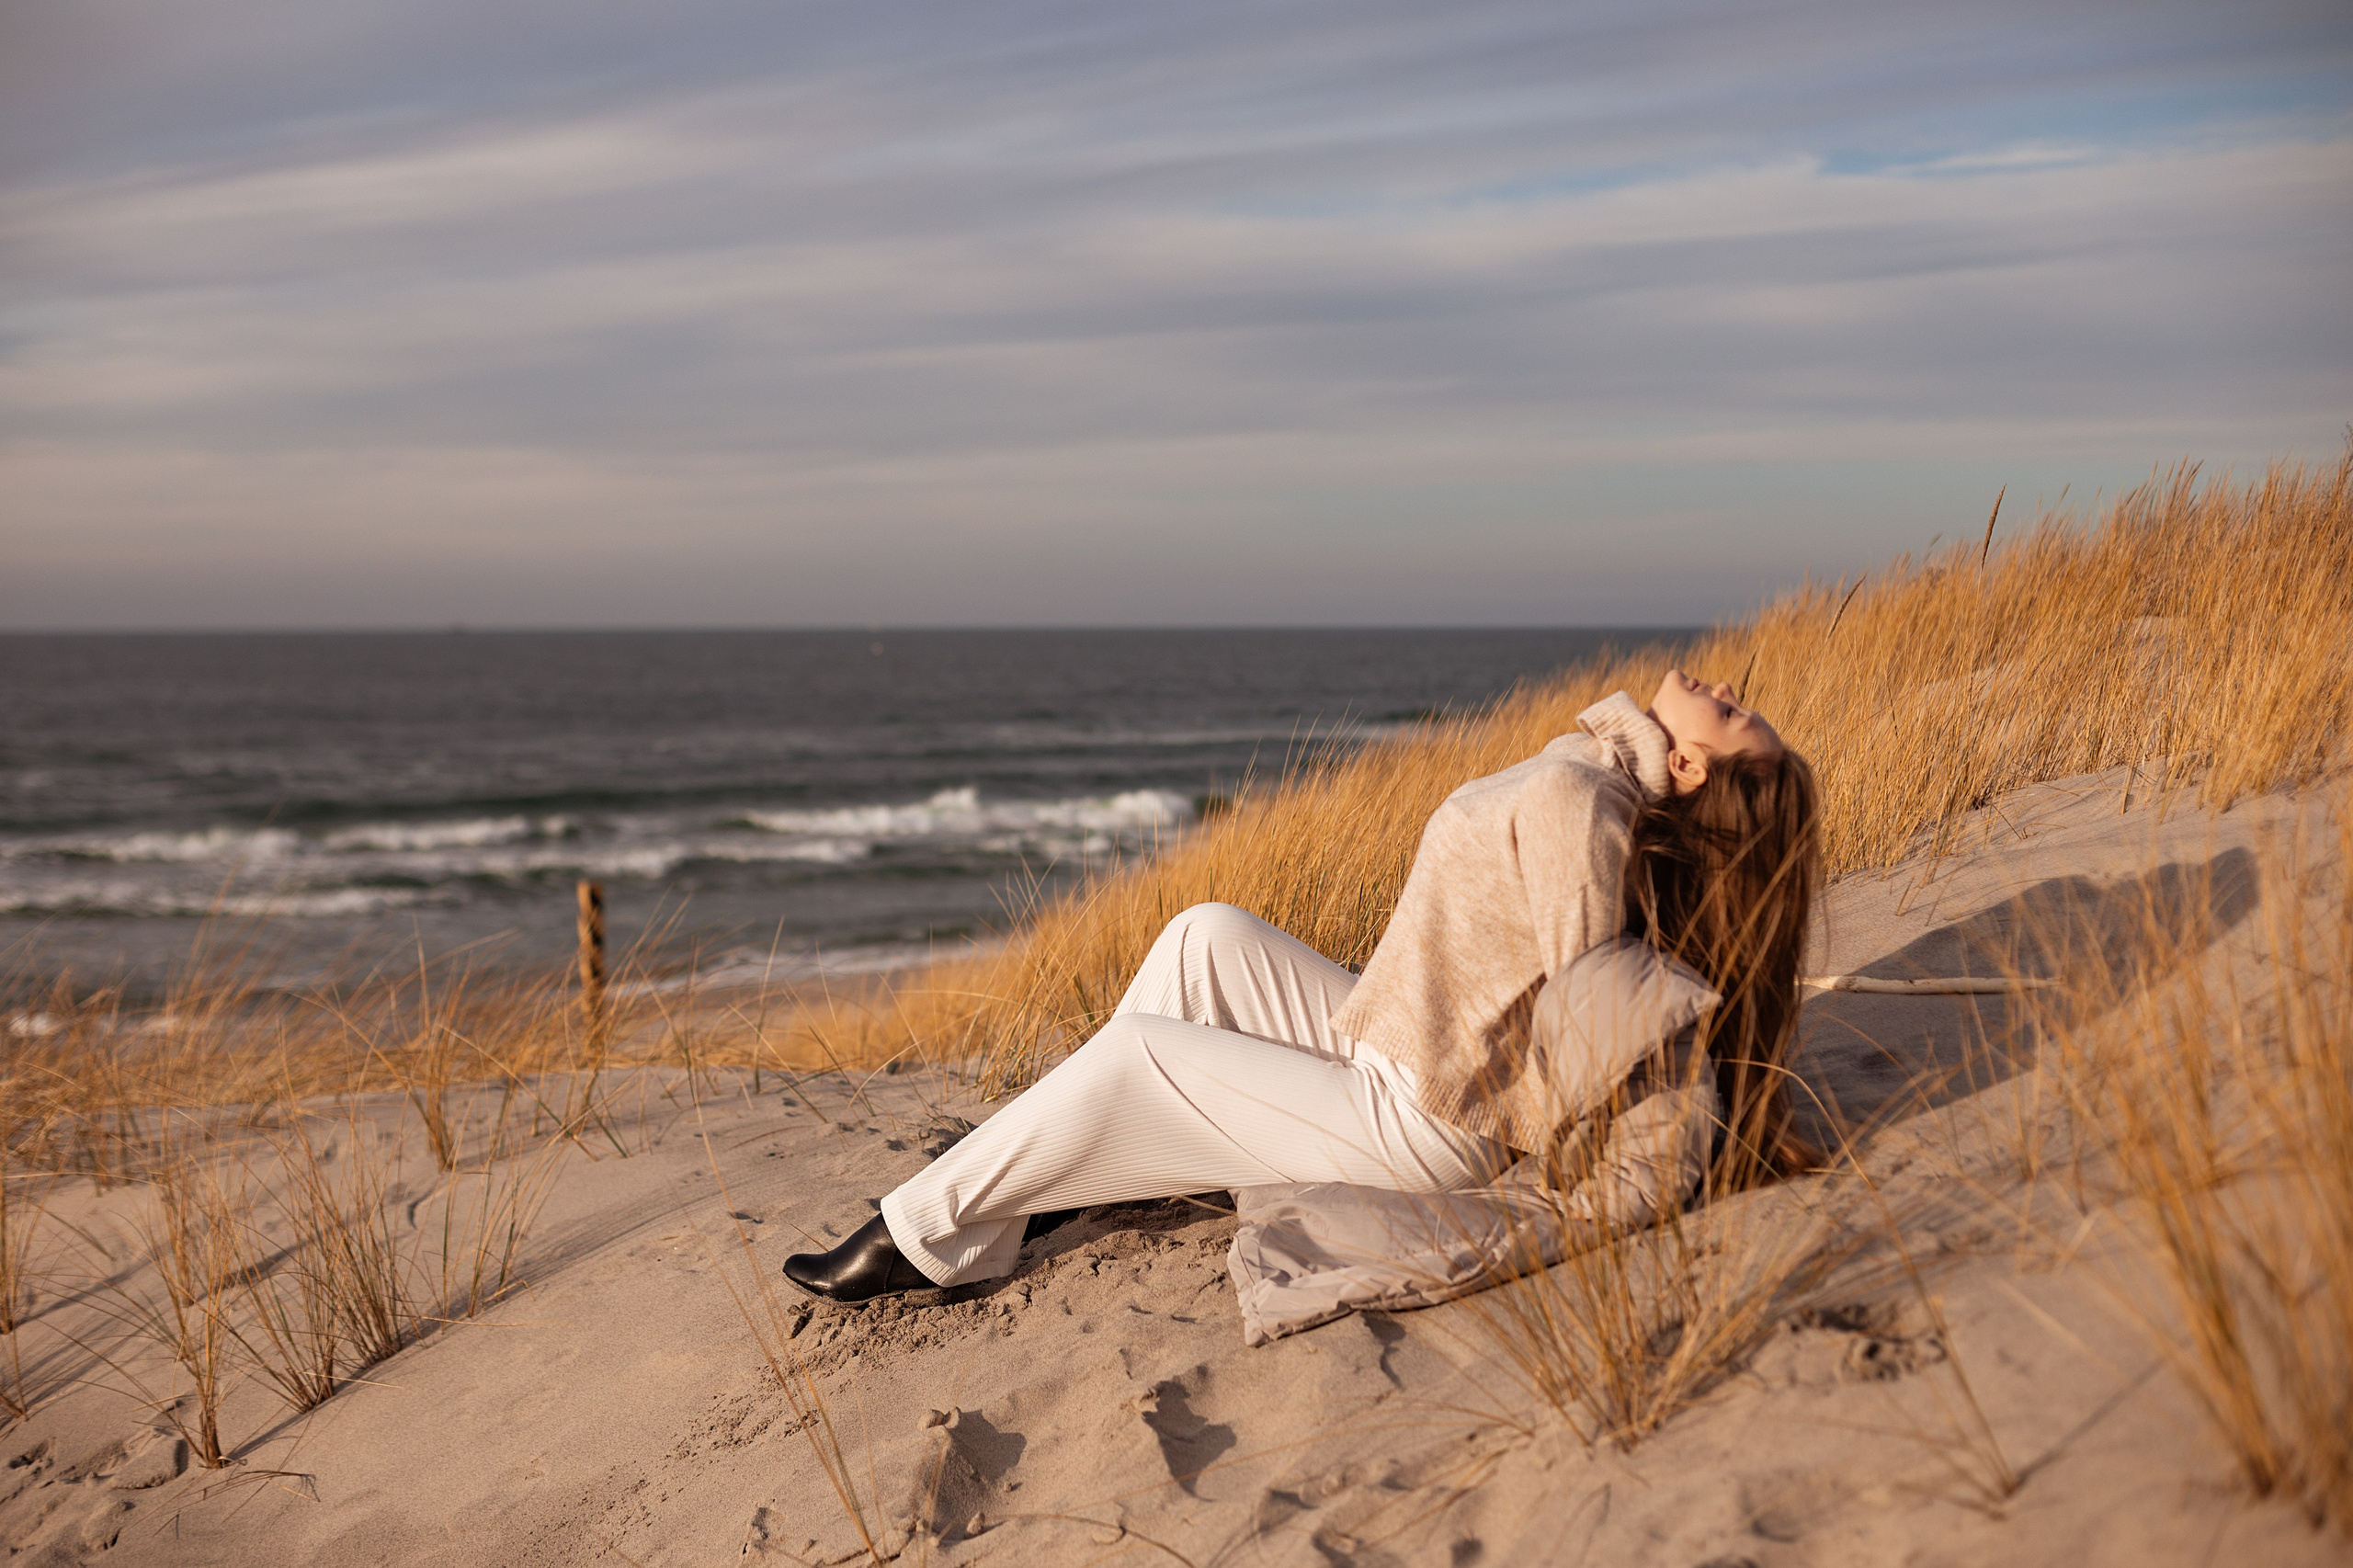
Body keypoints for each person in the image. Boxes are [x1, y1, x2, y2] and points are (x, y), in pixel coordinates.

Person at [782, 668, 1819, 1303]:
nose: (1727, 687)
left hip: (1427, 1121)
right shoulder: (1590, 774)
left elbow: (1594, 993)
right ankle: (1047, 1189)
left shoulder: (1578, 804)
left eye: (1735, 715)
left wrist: (1669, 1148)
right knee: (1205, 936)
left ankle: (920, 1235)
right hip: (1391, 1042)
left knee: (1139, 1054)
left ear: (1690, 768)